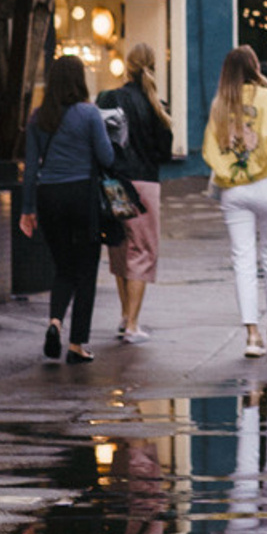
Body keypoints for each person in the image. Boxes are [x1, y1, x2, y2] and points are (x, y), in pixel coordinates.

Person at [202, 46, 267, 360]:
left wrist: (230, 171)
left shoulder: (220, 106)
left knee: (243, 262)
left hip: (235, 191)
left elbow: (210, 151)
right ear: (254, 67)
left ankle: (251, 334)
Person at [19, 54, 126, 365]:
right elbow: (106, 158)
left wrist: (27, 210)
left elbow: (29, 170)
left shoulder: (39, 117)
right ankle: (77, 343)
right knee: (86, 270)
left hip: (48, 197)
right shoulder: (89, 114)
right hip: (82, 196)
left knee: (64, 266)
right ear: (80, 80)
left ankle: (55, 322)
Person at [99, 42, 174, 345]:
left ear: (126, 65)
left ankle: (124, 316)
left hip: (116, 183)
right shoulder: (158, 105)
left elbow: (99, 139)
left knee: (119, 248)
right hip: (144, 184)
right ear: (153, 66)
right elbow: (165, 153)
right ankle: (132, 324)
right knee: (142, 252)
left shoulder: (108, 98)